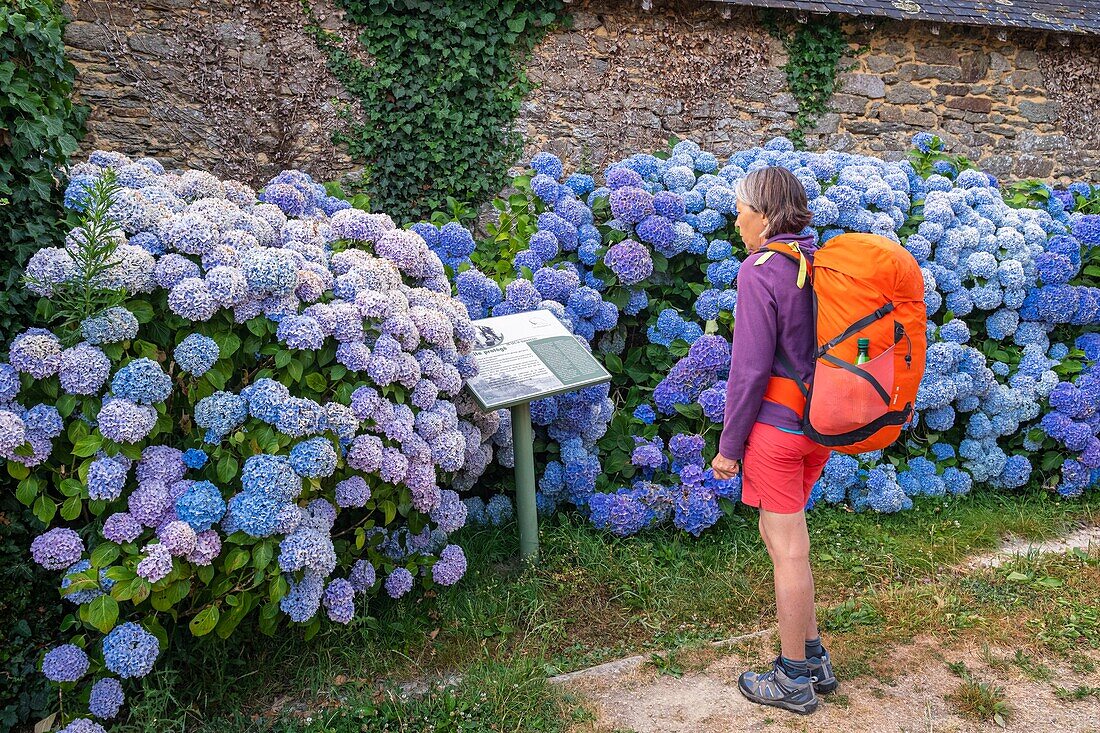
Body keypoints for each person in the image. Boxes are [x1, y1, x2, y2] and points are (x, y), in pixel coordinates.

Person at [710, 166, 836, 715]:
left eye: (740, 209)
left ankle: (791, 678)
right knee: (795, 544)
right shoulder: (818, 261)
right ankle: (814, 658)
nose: (736, 220)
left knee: (786, 550)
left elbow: (749, 372)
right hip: (820, 428)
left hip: (777, 431)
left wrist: (729, 447)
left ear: (763, 215)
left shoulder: (760, 270)